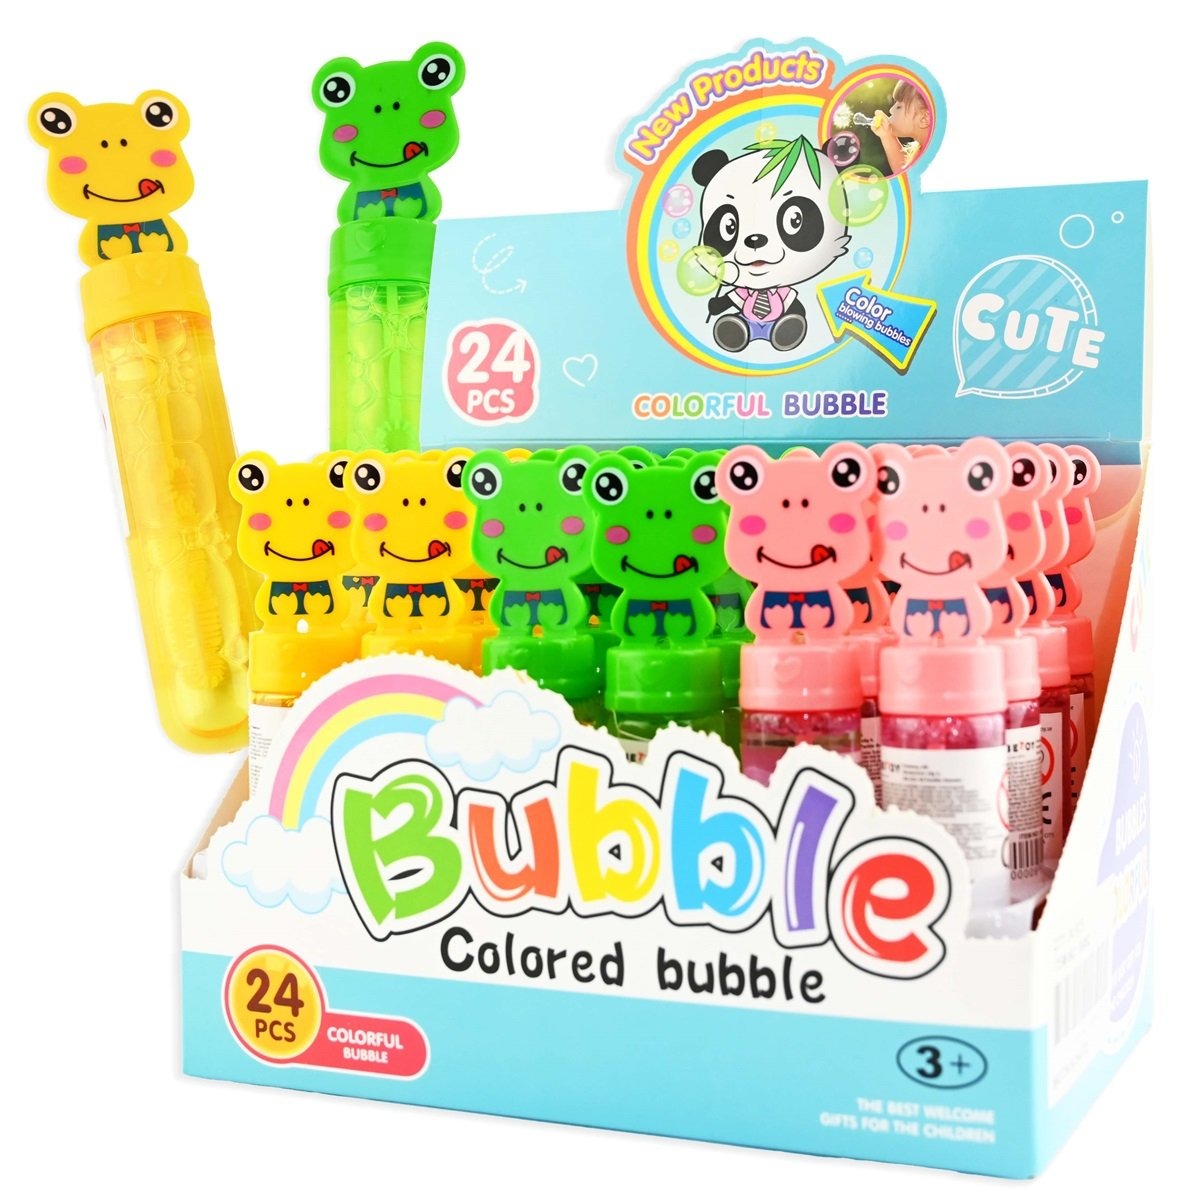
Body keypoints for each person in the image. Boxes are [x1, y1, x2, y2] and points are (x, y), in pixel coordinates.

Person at [871, 80, 932, 175]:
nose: (891, 110)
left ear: (924, 119)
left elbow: (909, 178)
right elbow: (904, 172)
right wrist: (887, 136)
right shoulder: (924, 151)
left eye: (899, 107)